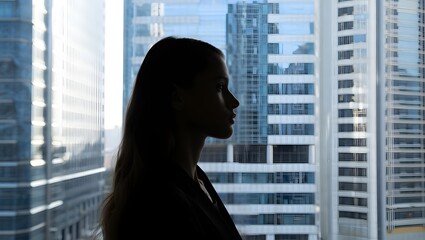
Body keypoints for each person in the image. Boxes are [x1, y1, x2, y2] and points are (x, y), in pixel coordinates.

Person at [97, 36, 242, 240]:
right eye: (219, 87)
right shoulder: (158, 204)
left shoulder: (194, 180)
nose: (234, 102)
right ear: (177, 97)